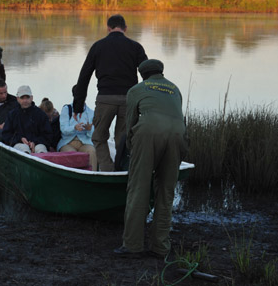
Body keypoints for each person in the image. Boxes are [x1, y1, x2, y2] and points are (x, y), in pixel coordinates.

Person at [114, 59, 187, 259]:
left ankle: (132, 245)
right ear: (161, 72)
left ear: (142, 74)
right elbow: (178, 116)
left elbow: (130, 124)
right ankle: (160, 247)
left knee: (138, 189)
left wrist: (132, 149)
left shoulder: (136, 89)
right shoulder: (174, 89)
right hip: (178, 135)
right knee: (166, 191)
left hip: (148, 133)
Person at [73, 14, 148, 171]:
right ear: (125, 28)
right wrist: (144, 102)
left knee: (98, 137)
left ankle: (107, 169)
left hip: (105, 99)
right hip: (129, 100)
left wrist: (78, 105)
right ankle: (122, 170)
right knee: (124, 139)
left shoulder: (98, 46)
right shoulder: (135, 47)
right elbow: (147, 74)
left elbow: (84, 77)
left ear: (108, 28)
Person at [2, 85, 52, 154]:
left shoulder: (41, 114)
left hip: (38, 144)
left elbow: (48, 135)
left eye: (27, 97)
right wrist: (20, 139)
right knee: (24, 149)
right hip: (18, 144)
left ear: (31, 98)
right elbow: (6, 135)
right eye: (22, 98)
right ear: (18, 99)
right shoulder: (12, 115)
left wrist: (35, 142)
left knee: (41, 149)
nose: (25, 100)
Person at [57, 87, 98, 171]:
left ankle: (92, 176)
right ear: (74, 95)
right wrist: (74, 128)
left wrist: (89, 129)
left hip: (84, 143)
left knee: (92, 151)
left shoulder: (90, 112)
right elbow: (63, 129)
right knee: (73, 155)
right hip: (68, 143)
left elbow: (93, 134)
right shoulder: (66, 109)